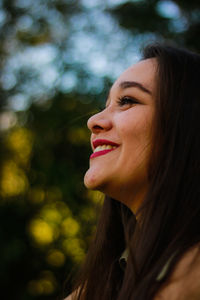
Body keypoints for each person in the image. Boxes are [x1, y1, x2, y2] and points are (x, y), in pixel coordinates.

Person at [65, 44, 200, 300]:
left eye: (127, 101)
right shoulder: (113, 277)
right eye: (106, 104)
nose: (93, 120)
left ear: (188, 127)